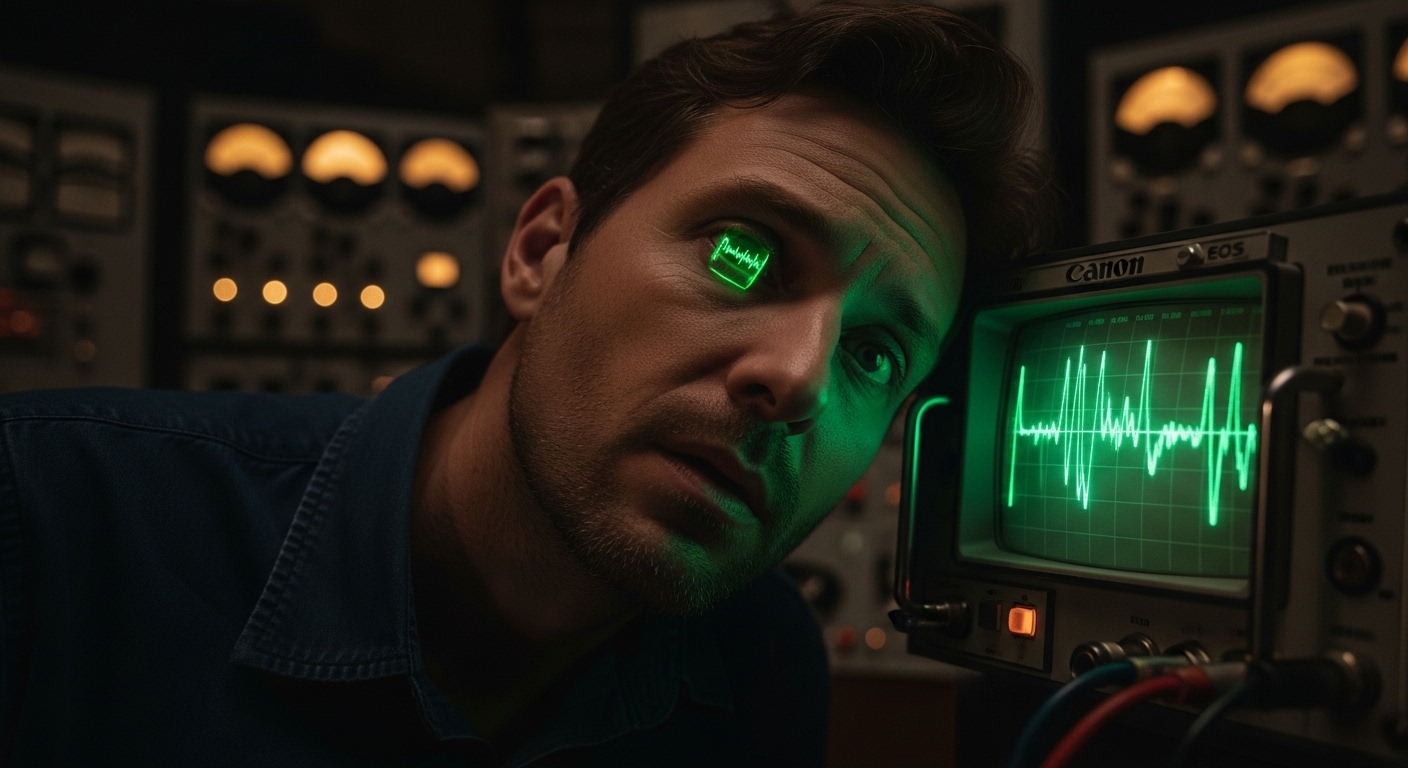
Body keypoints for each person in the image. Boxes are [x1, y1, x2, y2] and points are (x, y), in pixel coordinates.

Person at [0, 3, 1056, 765]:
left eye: (874, 354)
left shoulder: (763, 669)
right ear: (542, 251)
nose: (795, 377)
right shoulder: (48, 517)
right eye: (743, 254)